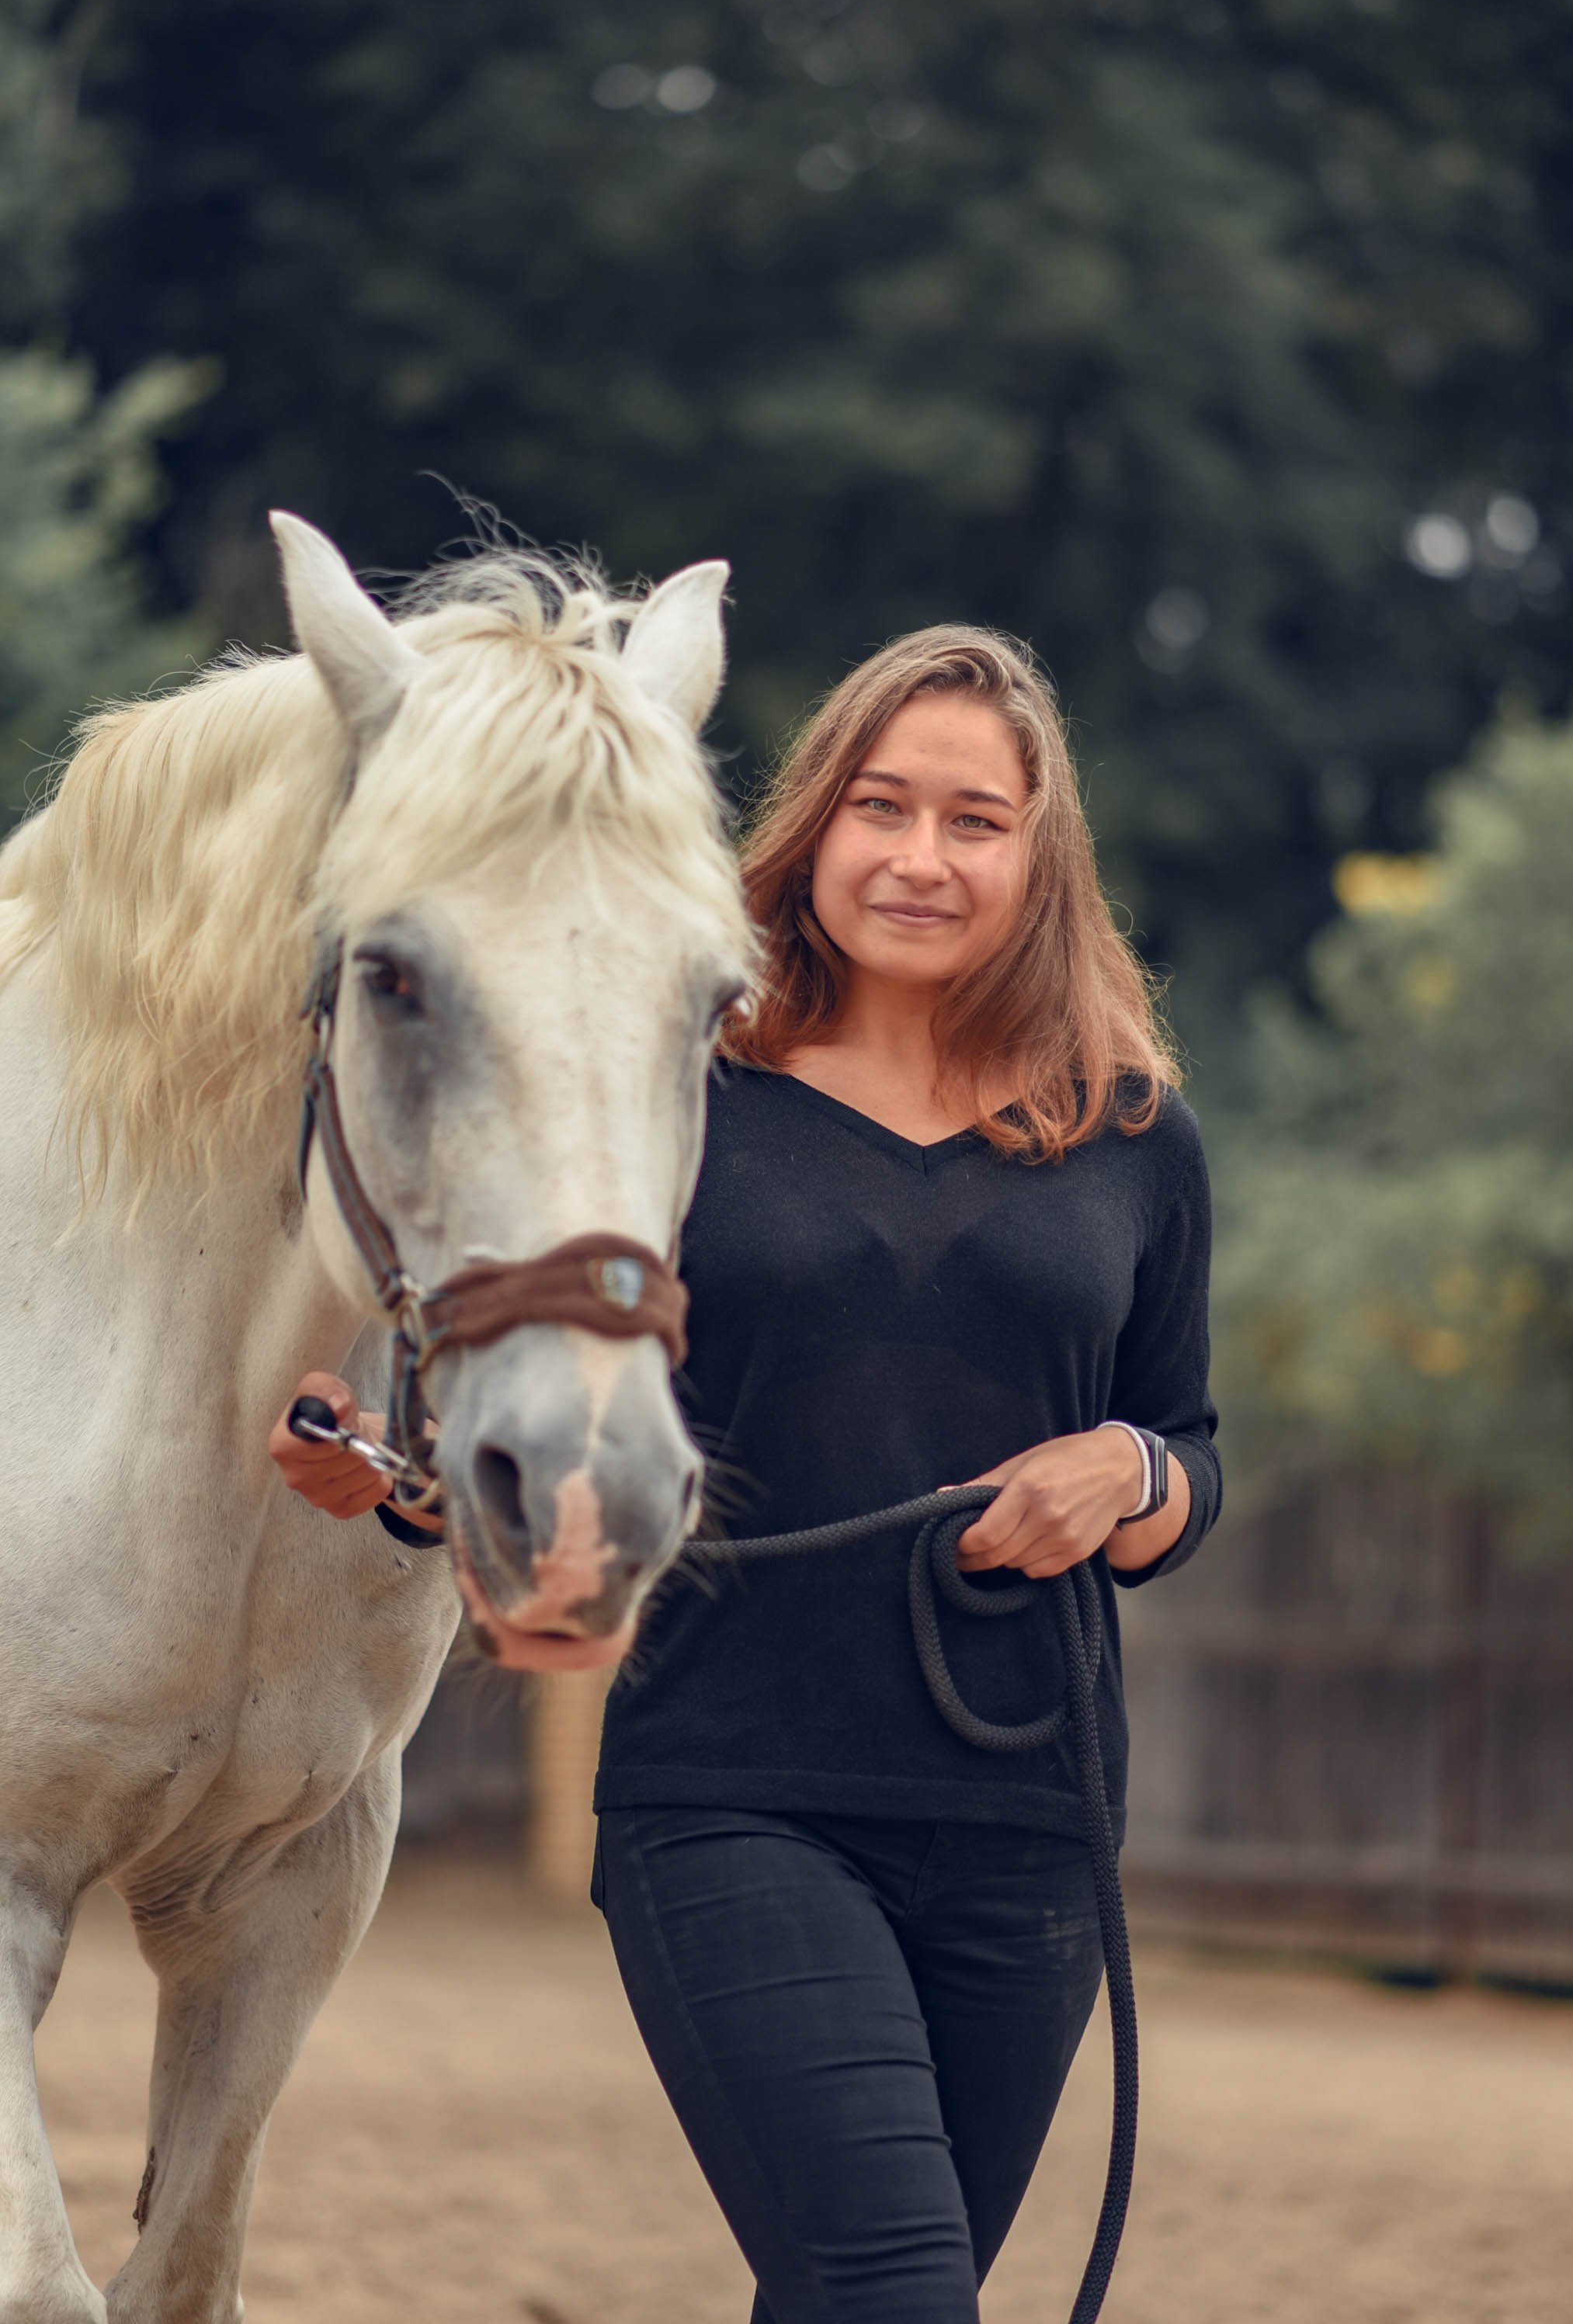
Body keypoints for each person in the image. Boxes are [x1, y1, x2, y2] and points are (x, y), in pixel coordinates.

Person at [270, 623, 1219, 2324]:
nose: (921, 857)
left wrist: (1129, 1473)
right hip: (733, 1794)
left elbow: (1188, 1443)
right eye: (882, 805)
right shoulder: (687, 1088)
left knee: (843, 2295)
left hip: (1031, 1824)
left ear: (1038, 852)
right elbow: (576, 1366)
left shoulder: (1131, 1129)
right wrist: (407, 1485)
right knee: (894, 2286)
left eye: (975, 819)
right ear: (815, 823)